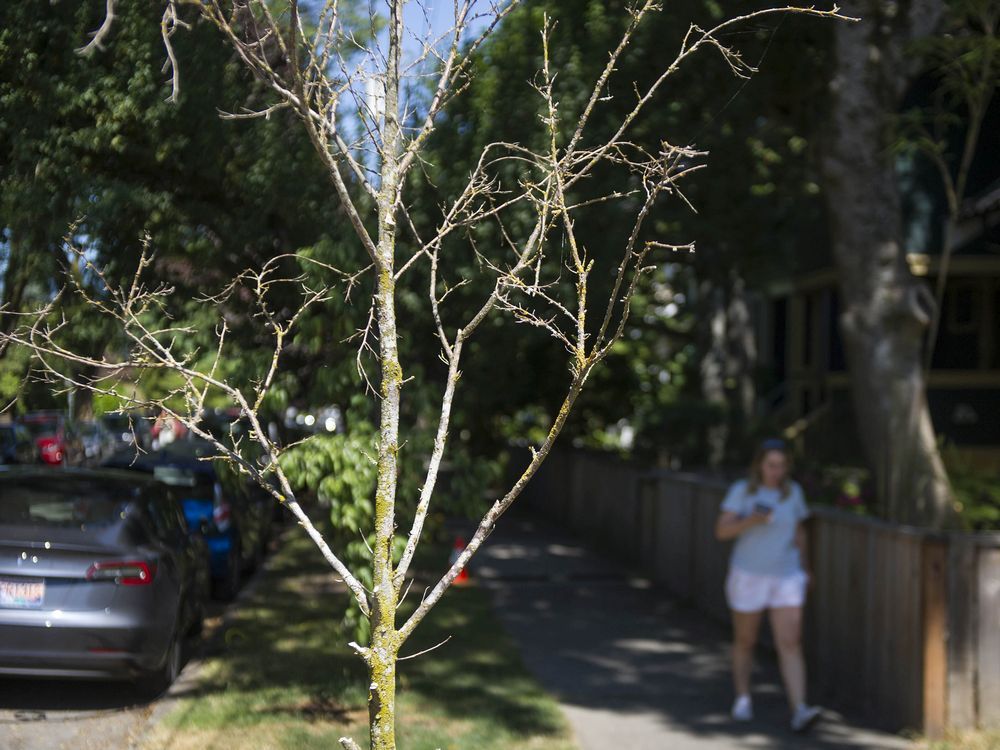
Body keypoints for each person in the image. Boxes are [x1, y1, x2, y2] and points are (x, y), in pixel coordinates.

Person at [714, 438, 822, 733]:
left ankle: (799, 708)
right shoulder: (742, 492)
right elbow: (722, 531)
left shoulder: (793, 493)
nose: (776, 471)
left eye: (782, 465)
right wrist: (751, 520)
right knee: (745, 640)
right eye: (771, 465)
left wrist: (806, 568)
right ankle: (743, 697)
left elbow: (800, 532)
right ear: (759, 465)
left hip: (786, 576)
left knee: (789, 642)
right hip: (748, 575)